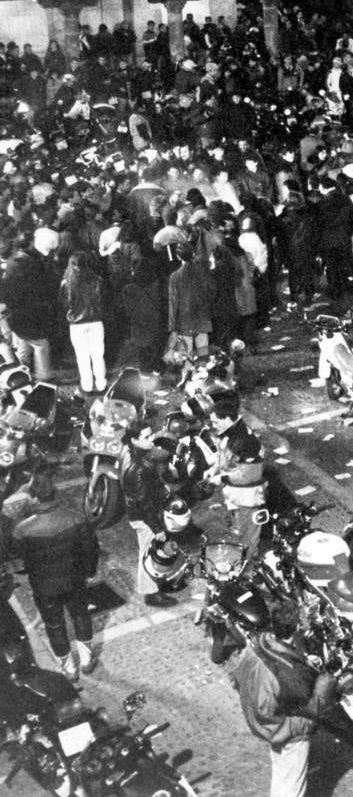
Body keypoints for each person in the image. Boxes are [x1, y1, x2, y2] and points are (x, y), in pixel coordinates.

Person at [231, 601, 338, 797]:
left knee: (281, 765)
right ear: (297, 628)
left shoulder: (256, 644)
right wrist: (327, 684)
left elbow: (237, 677)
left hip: (259, 713)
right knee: (290, 782)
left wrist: (304, 660)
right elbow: (312, 706)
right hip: (281, 729)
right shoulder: (289, 674)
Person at [10, 473, 100, 679]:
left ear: (34, 498)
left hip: (44, 588)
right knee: (80, 616)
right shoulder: (75, 518)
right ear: (55, 493)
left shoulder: (22, 530)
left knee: (54, 626)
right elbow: (91, 550)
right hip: (74, 581)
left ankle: (69, 669)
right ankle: (86, 661)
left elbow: (20, 564)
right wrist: (89, 572)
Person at [120, 421, 176, 608]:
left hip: (142, 513)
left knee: (152, 549)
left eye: (151, 434)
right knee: (148, 553)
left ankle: (155, 584)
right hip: (145, 517)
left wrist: (161, 488)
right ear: (134, 440)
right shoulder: (138, 467)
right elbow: (143, 501)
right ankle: (151, 593)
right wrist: (157, 526)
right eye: (146, 437)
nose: (152, 440)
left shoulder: (133, 454)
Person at [0, 227, 61, 381]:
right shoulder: (30, 264)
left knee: (23, 344)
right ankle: (44, 377)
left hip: (16, 316)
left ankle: (21, 373)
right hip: (28, 315)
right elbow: (39, 290)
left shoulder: (13, 261)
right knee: (41, 345)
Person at [59, 252, 107, 395]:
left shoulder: (66, 283)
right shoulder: (98, 280)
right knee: (98, 355)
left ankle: (87, 386)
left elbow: (63, 304)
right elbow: (104, 300)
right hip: (96, 322)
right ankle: (101, 384)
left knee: (82, 357)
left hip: (77, 325)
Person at [168, 243, 215, 358]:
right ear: (193, 254)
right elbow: (212, 291)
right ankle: (204, 372)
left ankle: (188, 373)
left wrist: (172, 326)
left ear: (178, 256)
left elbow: (173, 302)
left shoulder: (175, 276)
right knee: (203, 352)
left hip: (185, 320)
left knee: (186, 355)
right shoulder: (203, 272)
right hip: (202, 316)